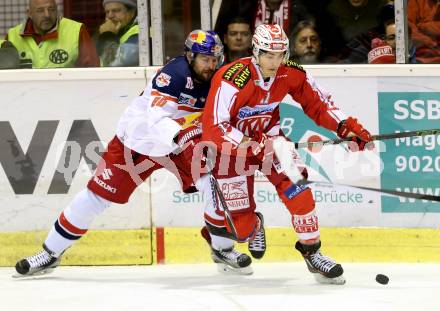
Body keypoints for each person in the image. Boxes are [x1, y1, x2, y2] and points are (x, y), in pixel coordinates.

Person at [14, 30, 224, 277]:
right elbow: (156, 119)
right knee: (95, 197)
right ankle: (50, 253)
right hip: (139, 142)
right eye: (204, 59)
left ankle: (222, 248)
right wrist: (183, 136)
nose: (210, 64)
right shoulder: (174, 75)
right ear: (190, 56)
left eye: (215, 59)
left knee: (214, 184)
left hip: (179, 145)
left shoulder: (219, 79)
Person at [199, 24, 372, 284]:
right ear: (255, 51)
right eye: (268, 55)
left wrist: (344, 127)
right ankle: (254, 224)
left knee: (299, 193)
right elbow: (213, 126)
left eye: (280, 55)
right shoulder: (231, 78)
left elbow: (318, 103)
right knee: (242, 229)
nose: (275, 61)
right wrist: (245, 142)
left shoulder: (290, 73)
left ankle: (313, 253)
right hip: (232, 153)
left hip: (272, 145)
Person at [5, 0, 99, 68]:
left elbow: (93, 70)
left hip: (66, 94)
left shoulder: (76, 31)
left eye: (51, 9)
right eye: (40, 10)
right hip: (25, 94)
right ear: (29, 13)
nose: (47, 15)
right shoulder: (13, 36)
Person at [96, 0, 139, 66]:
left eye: (116, 10)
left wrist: (108, 34)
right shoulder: (112, 32)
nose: (110, 16)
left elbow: (115, 63)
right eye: (107, 12)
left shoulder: (140, 32)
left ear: (131, 13)